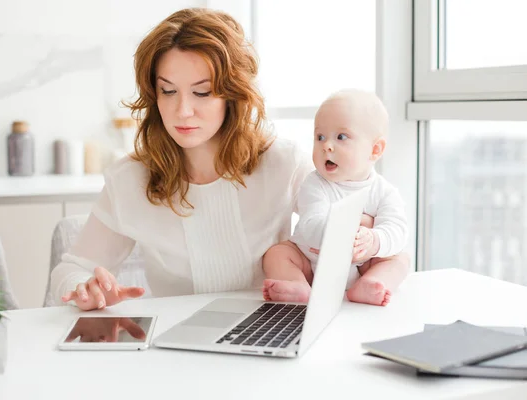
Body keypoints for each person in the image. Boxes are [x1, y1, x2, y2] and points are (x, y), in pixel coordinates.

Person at [49, 7, 319, 310]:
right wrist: (85, 289)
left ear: (232, 95)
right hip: (174, 344)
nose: (182, 110)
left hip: (266, 334)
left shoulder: (283, 163)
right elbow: (70, 270)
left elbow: (344, 238)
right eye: (168, 91)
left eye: (201, 93)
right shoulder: (130, 179)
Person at [262, 89, 410, 306]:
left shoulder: (385, 192)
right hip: (312, 261)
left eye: (341, 137)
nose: (326, 146)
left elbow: (398, 230)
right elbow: (311, 225)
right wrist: (347, 230)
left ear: (375, 150)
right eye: (320, 137)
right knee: (276, 254)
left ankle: (371, 283)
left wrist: (374, 241)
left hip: (362, 263)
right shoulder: (315, 184)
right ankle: (298, 285)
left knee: (400, 259)